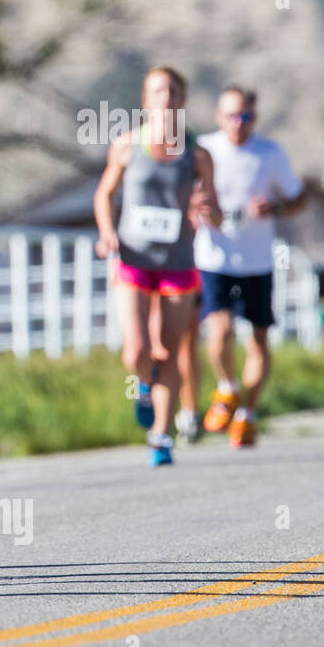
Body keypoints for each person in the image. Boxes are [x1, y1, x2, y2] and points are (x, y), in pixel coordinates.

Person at [93, 65, 221, 466]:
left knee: (168, 349)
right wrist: (107, 232)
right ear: (146, 101)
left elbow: (215, 212)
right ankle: (144, 386)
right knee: (137, 350)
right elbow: (104, 194)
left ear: (182, 100)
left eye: (172, 91)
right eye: (156, 91)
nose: (165, 98)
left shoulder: (198, 155)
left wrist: (207, 210)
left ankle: (161, 434)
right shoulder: (127, 146)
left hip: (178, 263)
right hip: (132, 257)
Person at [192, 86, 306, 447]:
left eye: (245, 116)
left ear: (254, 117)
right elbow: (185, 196)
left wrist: (274, 209)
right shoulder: (204, 150)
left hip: (257, 260)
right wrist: (197, 209)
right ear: (217, 116)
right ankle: (227, 389)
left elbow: (298, 197)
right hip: (215, 257)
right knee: (220, 331)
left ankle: (248, 416)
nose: (237, 123)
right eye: (230, 115)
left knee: (259, 339)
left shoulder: (270, 153)